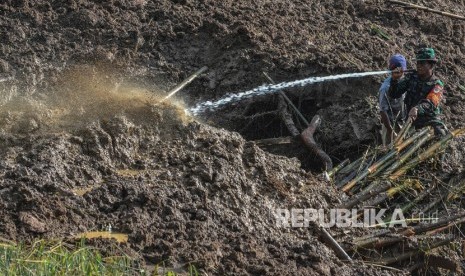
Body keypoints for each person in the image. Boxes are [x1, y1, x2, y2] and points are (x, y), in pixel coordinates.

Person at [389, 47, 447, 136]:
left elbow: (431, 103)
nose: (418, 65)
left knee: (440, 134)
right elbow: (394, 94)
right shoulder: (411, 78)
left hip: (430, 122)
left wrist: (417, 108)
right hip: (412, 123)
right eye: (418, 63)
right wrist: (394, 79)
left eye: (422, 63)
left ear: (431, 65)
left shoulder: (437, 84)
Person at [379, 54, 407, 146]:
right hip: (390, 125)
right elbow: (383, 111)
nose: (401, 74)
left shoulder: (405, 81)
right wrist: (391, 131)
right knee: (389, 150)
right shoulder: (386, 88)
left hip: (404, 122)